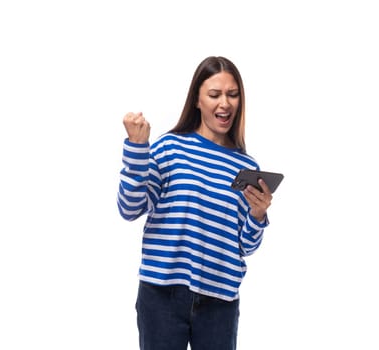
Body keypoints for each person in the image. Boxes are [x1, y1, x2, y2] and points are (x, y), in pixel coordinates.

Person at [117, 56, 274, 350]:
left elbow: (246, 248)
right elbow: (129, 208)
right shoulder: (169, 148)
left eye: (233, 94)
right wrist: (137, 149)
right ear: (197, 101)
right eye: (214, 95)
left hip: (220, 302)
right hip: (162, 295)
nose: (224, 104)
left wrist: (257, 214)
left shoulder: (246, 168)